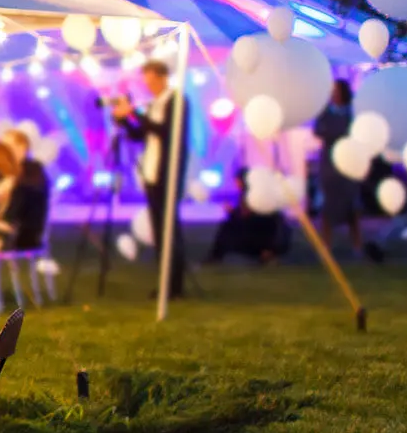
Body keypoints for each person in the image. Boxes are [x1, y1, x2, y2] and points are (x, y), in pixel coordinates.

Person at [111, 59, 189, 297]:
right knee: (159, 229)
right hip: (152, 173)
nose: (149, 85)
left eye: (152, 80)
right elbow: (142, 134)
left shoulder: (176, 101)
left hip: (168, 174)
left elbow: (166, 131)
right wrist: (124, 119)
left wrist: (134, 111)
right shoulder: (155, 104)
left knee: (168, 229)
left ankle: (174, 284)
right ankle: (164, 281)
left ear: (162, 77)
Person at [313, 79, 381, 261]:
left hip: (349, 167)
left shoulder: (352, 114)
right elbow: (319, 131)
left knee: (352, 208)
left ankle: (356, 246)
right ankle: (326, 247)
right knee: (328, 208)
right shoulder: (325, 113)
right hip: (330, 167)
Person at [207, 168, 290, 263]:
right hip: (264, 233)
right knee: (229, 226)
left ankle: (267, 252)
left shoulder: (252, 196)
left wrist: (231, 212)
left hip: (263, 235)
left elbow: (247, 218)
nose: (236, 184)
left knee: (227, 228)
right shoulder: (252, 194)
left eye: (237, 181)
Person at [0, 128, 51, 253]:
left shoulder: (33, 170)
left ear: (22, 147)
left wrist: (12, 183)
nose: (3, 152)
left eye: (7, 147)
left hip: (23, 233)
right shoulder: (7, 172)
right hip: (10, 229)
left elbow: (25, 197)